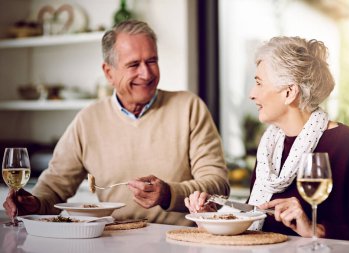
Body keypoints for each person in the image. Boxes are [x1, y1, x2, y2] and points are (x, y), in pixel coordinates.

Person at [3, 20, 230, 226]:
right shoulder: (88, 119)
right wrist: (32, 204)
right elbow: (53, 188)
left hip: (179, 243)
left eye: (152, 61)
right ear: (108, 72)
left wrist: (168, 194)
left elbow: (218, 185)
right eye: (134, 65)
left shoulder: (189, 107)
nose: (147, 73)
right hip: (111, 242)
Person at [185, 36, 349, 242]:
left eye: (259, 83)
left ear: (289, 92)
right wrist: (212, 219)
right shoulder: (270, 146)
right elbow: (258, 220)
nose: (252, 94)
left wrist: (317, 230)